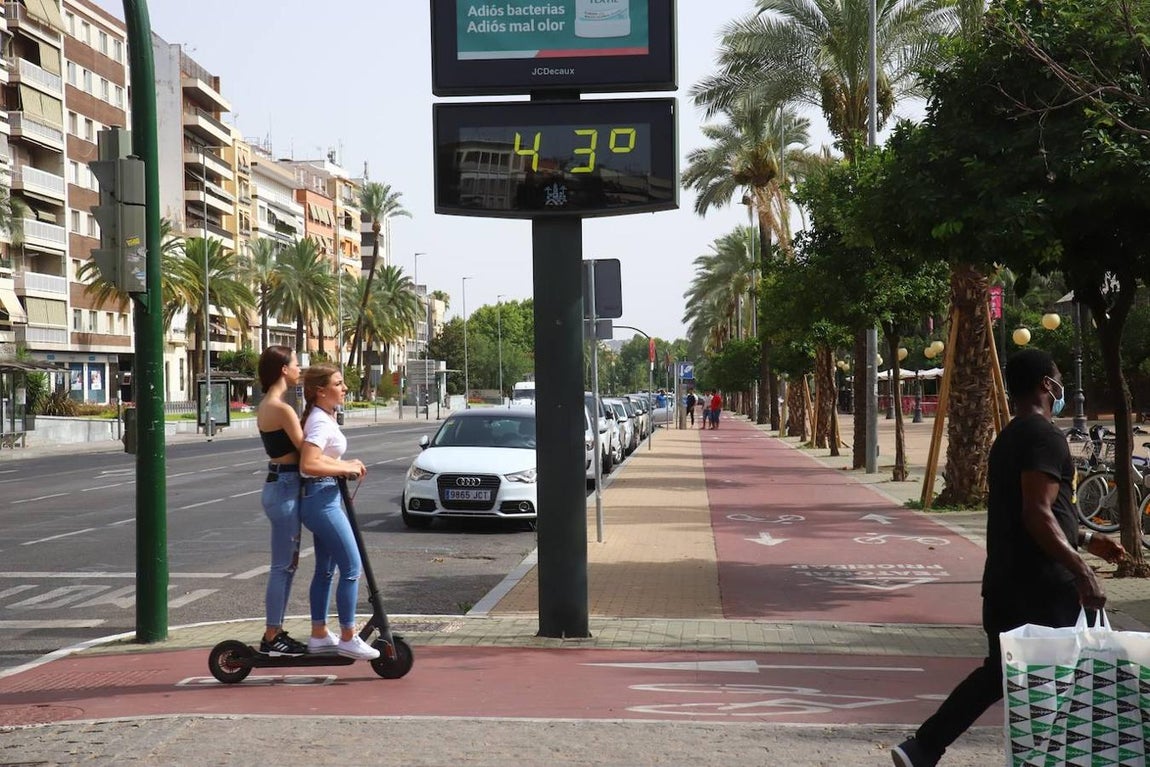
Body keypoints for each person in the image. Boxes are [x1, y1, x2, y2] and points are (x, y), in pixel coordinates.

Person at [892, 349, 1126, 767]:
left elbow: (1046, 513)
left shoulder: (1009, 438)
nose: (1062, 391)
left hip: (1004, 583)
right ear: (1046, 385)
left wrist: (1088, 539)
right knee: (1082, 672)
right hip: (1043, 586)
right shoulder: (1045, 437)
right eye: (1058, 382)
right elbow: (1036, 513)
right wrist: (1082, 571)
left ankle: (922, 748)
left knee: (1000, 673)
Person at [297, 363, 378, 660]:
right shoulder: (319, 421)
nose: (344, 388)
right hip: (322, 500)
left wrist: (346, 465)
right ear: (321, 391)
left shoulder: (322, 417)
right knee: (352, 568)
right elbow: (308, 464)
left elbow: (322, 459)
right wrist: (346, 467)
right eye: (339, 383)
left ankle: (319, 634)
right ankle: (347, 636)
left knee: (325, 570)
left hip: (322, 496)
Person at [255, 345, 308, 656]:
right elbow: (306, 450)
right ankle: (272, 635)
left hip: (279, 484)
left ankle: (275, 631)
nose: (299, 369)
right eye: (296, 364)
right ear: (283, 370)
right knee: (282, 566)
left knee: (287, 565)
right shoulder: (282, 409)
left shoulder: (267, 404)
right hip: (285, 485)